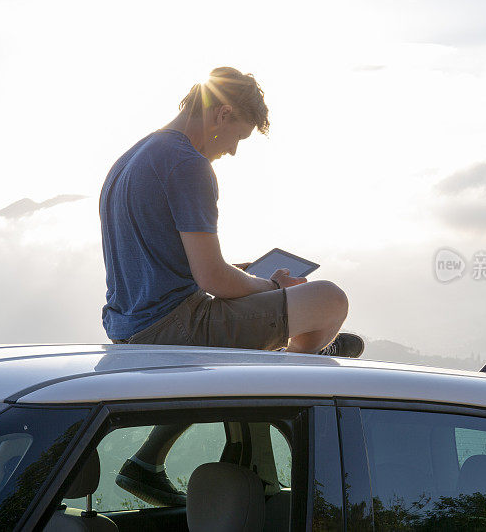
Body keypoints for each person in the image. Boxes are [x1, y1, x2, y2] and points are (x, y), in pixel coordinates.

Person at [99, 66, 363, 505]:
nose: (235, 152)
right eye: (238, 137)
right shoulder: (188, 164)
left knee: (275, 321)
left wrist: (262, 283)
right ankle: (299, 372)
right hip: (175, 325)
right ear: (221, 114)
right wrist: (269, 286)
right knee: (329, 301)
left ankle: (147, 461)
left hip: (130, 324)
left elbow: (170, 262)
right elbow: (214, 280)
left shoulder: (132, 157)